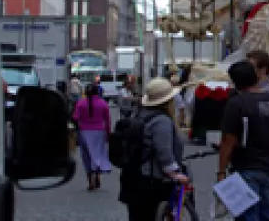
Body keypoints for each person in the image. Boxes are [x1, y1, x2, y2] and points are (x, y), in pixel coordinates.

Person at [219, 61, 269, 221]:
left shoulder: (236, 104)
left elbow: (228, 142)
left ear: (235, 82)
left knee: (248, 215)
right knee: (267, 213)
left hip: (246, 165)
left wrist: (221, 172)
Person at [119, 77, 189, 221]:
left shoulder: (139, 115)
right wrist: (174, 173)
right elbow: (163, 151)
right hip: (151, 180)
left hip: (132, 175)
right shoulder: (161, 121)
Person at [72, 83, 112, 191]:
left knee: (86, 156)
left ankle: (90, 178)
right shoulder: (103, 103)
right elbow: (107, 120)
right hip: (99, 132)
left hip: (84, 132)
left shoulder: (80, 103)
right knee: (97, 155)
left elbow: (75, 117)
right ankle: (97, 174)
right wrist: (108, 133)